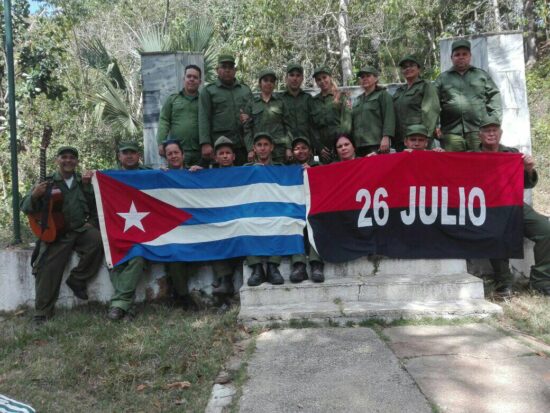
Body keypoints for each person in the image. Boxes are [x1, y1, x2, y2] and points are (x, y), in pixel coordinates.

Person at [20, 146, 103, 325]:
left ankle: (77, 279)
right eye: (64, 157)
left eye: (72, 158)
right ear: (57, 160)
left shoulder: (82, 181)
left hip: (80, 230)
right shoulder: (47, 182)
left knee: (98, 241)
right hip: (57, 233)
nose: (68, 161)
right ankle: (42, 312)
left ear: (77, 162)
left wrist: (93, 223)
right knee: (47, 268)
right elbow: (26, 207)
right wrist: (34, 196)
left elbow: (96, 205)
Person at [476, 118, 550, 297]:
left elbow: (526, 184)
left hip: (513, 204)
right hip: (486, 208)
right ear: (480, 135)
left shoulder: (512, 154)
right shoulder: (472, 156)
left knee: (546, 229)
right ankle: (504, 282)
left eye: (494, 130)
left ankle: (540, 281)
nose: (491, 134)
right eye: (487, 131)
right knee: (496, 233)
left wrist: (529, 169)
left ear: (500, 133)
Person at [107, 142, 150, 320]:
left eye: (133, 152)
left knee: (138, 258)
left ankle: (119, 305)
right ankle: (127, 306)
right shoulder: (109, 176)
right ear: (119, 156)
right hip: (118, 231)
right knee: (114, 262)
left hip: (144, 232)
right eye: (125, 153)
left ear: (138, 155)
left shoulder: (149, 174)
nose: (129, 156)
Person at [435, 39, 502, 152]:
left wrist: (494, 121)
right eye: (457, 54)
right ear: (451, 57)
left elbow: (494, 96)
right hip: (451, 132)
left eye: (464, 54)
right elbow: (433, 103)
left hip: (478, 130)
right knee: (453, 165)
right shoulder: (443, 78)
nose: (461, 57)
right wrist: (435, 125)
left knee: (479, 164)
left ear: (470, 56)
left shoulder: (481, 75)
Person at [160, 140, 202, 309]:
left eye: (176, 152)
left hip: (195, 227)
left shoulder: (194, 173)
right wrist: (157, 176)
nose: (173, 156)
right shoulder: (162, 175)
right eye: (169, 154)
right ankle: (183, 296)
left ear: (183, 154)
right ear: (166, 157)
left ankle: (176, 288)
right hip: (172, 229)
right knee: (175, 253)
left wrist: (202, 174)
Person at [245, 132, 285, 286]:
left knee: (283, 220)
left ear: (272, 147)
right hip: (253, 212)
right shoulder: (246, 168)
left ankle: (273, 266)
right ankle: (256, 268)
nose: (263, 148)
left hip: (275, 210)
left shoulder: (280, 168)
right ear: (254, 148)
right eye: (259, 145)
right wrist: (252, 172)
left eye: (266, 145)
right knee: (244, 224)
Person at [198, 53, 253, 165]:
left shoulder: (245, 90)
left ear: (235, 70)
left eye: (230, 67)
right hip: (220, 146)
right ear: (217, 70)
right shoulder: (209, 91)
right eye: (224, 67)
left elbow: (254, 114)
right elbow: (203, 118)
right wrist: (205, 143)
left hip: (243, 145)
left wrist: (249, 117)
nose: (227, 70)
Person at [208, 136, 243, 302]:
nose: (224, 156)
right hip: (220, 221)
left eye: (228, 153)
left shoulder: (245, 172)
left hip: (239, 220)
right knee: (214, 235)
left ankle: (225, 281)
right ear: (215, 157)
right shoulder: (208, 175)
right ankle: (225, 279)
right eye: (221, 153)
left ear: (234, 156)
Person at [289, 136, 325, 283]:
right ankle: (299, 266)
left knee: (315, 223)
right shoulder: (287, 169)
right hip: (296, 209)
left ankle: (316, 265)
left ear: (310, 151)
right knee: (293, 225)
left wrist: (313, 173)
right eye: (297, 148)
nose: (300, 151)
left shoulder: (319, 166)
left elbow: (326, 185)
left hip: (315, 207)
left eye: (304, 148)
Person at [157, 65, 204, 167]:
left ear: (200, 82)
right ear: (184, 79)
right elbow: (164, 121)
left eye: (195, 77)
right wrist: (161, 143)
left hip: (200, 152)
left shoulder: (204, 100)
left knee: (199, 181)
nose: (191, 79)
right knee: (176, 181)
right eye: (189, 76)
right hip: (177, 152)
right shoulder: (173, 99)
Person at [244, 69, 292, 163]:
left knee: (278, 176)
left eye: (271, 81)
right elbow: (247, 129)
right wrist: (250, 149)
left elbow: (288, 126)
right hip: (259, 150)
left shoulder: (281, 102)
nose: (269, 83)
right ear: (260, 83)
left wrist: (289, 148)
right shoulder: (252, 103)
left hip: (279, 150)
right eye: (265, 80)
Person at [393, 56, 440, 152]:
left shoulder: (426, 86)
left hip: (419, 139)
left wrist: (425, 136)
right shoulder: (399, 91)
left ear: (418, 69)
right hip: (401, 138)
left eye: (411, 66)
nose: (408, 69)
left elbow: (431, 112)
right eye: (405, 67)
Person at [310, 67, 352, 164]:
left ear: (330, 77)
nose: (322, 81)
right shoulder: (313, 102)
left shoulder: (341, 97)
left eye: (324, 77)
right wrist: (319, 147)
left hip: (341, 146)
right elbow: (311, 127)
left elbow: (347, 122)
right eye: (318, 79)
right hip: (324, 150)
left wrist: (339, 144)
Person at [352, 66, 395, 156]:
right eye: (362, 77)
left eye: (368, 76)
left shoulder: (383, 95)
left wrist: (386, 137)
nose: (365, 79)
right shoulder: (358, 99)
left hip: (376, 143)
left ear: (376, 78)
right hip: (359, 144)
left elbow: (389, 117)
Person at [278, 63, 316, 147]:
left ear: (302, 78)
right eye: (291, 75)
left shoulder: (308, 99)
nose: (295, 78)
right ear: (286, 78)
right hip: (285, 148)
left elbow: (314, 125)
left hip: (306, 146)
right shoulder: (279, 99)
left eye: (298, 75)